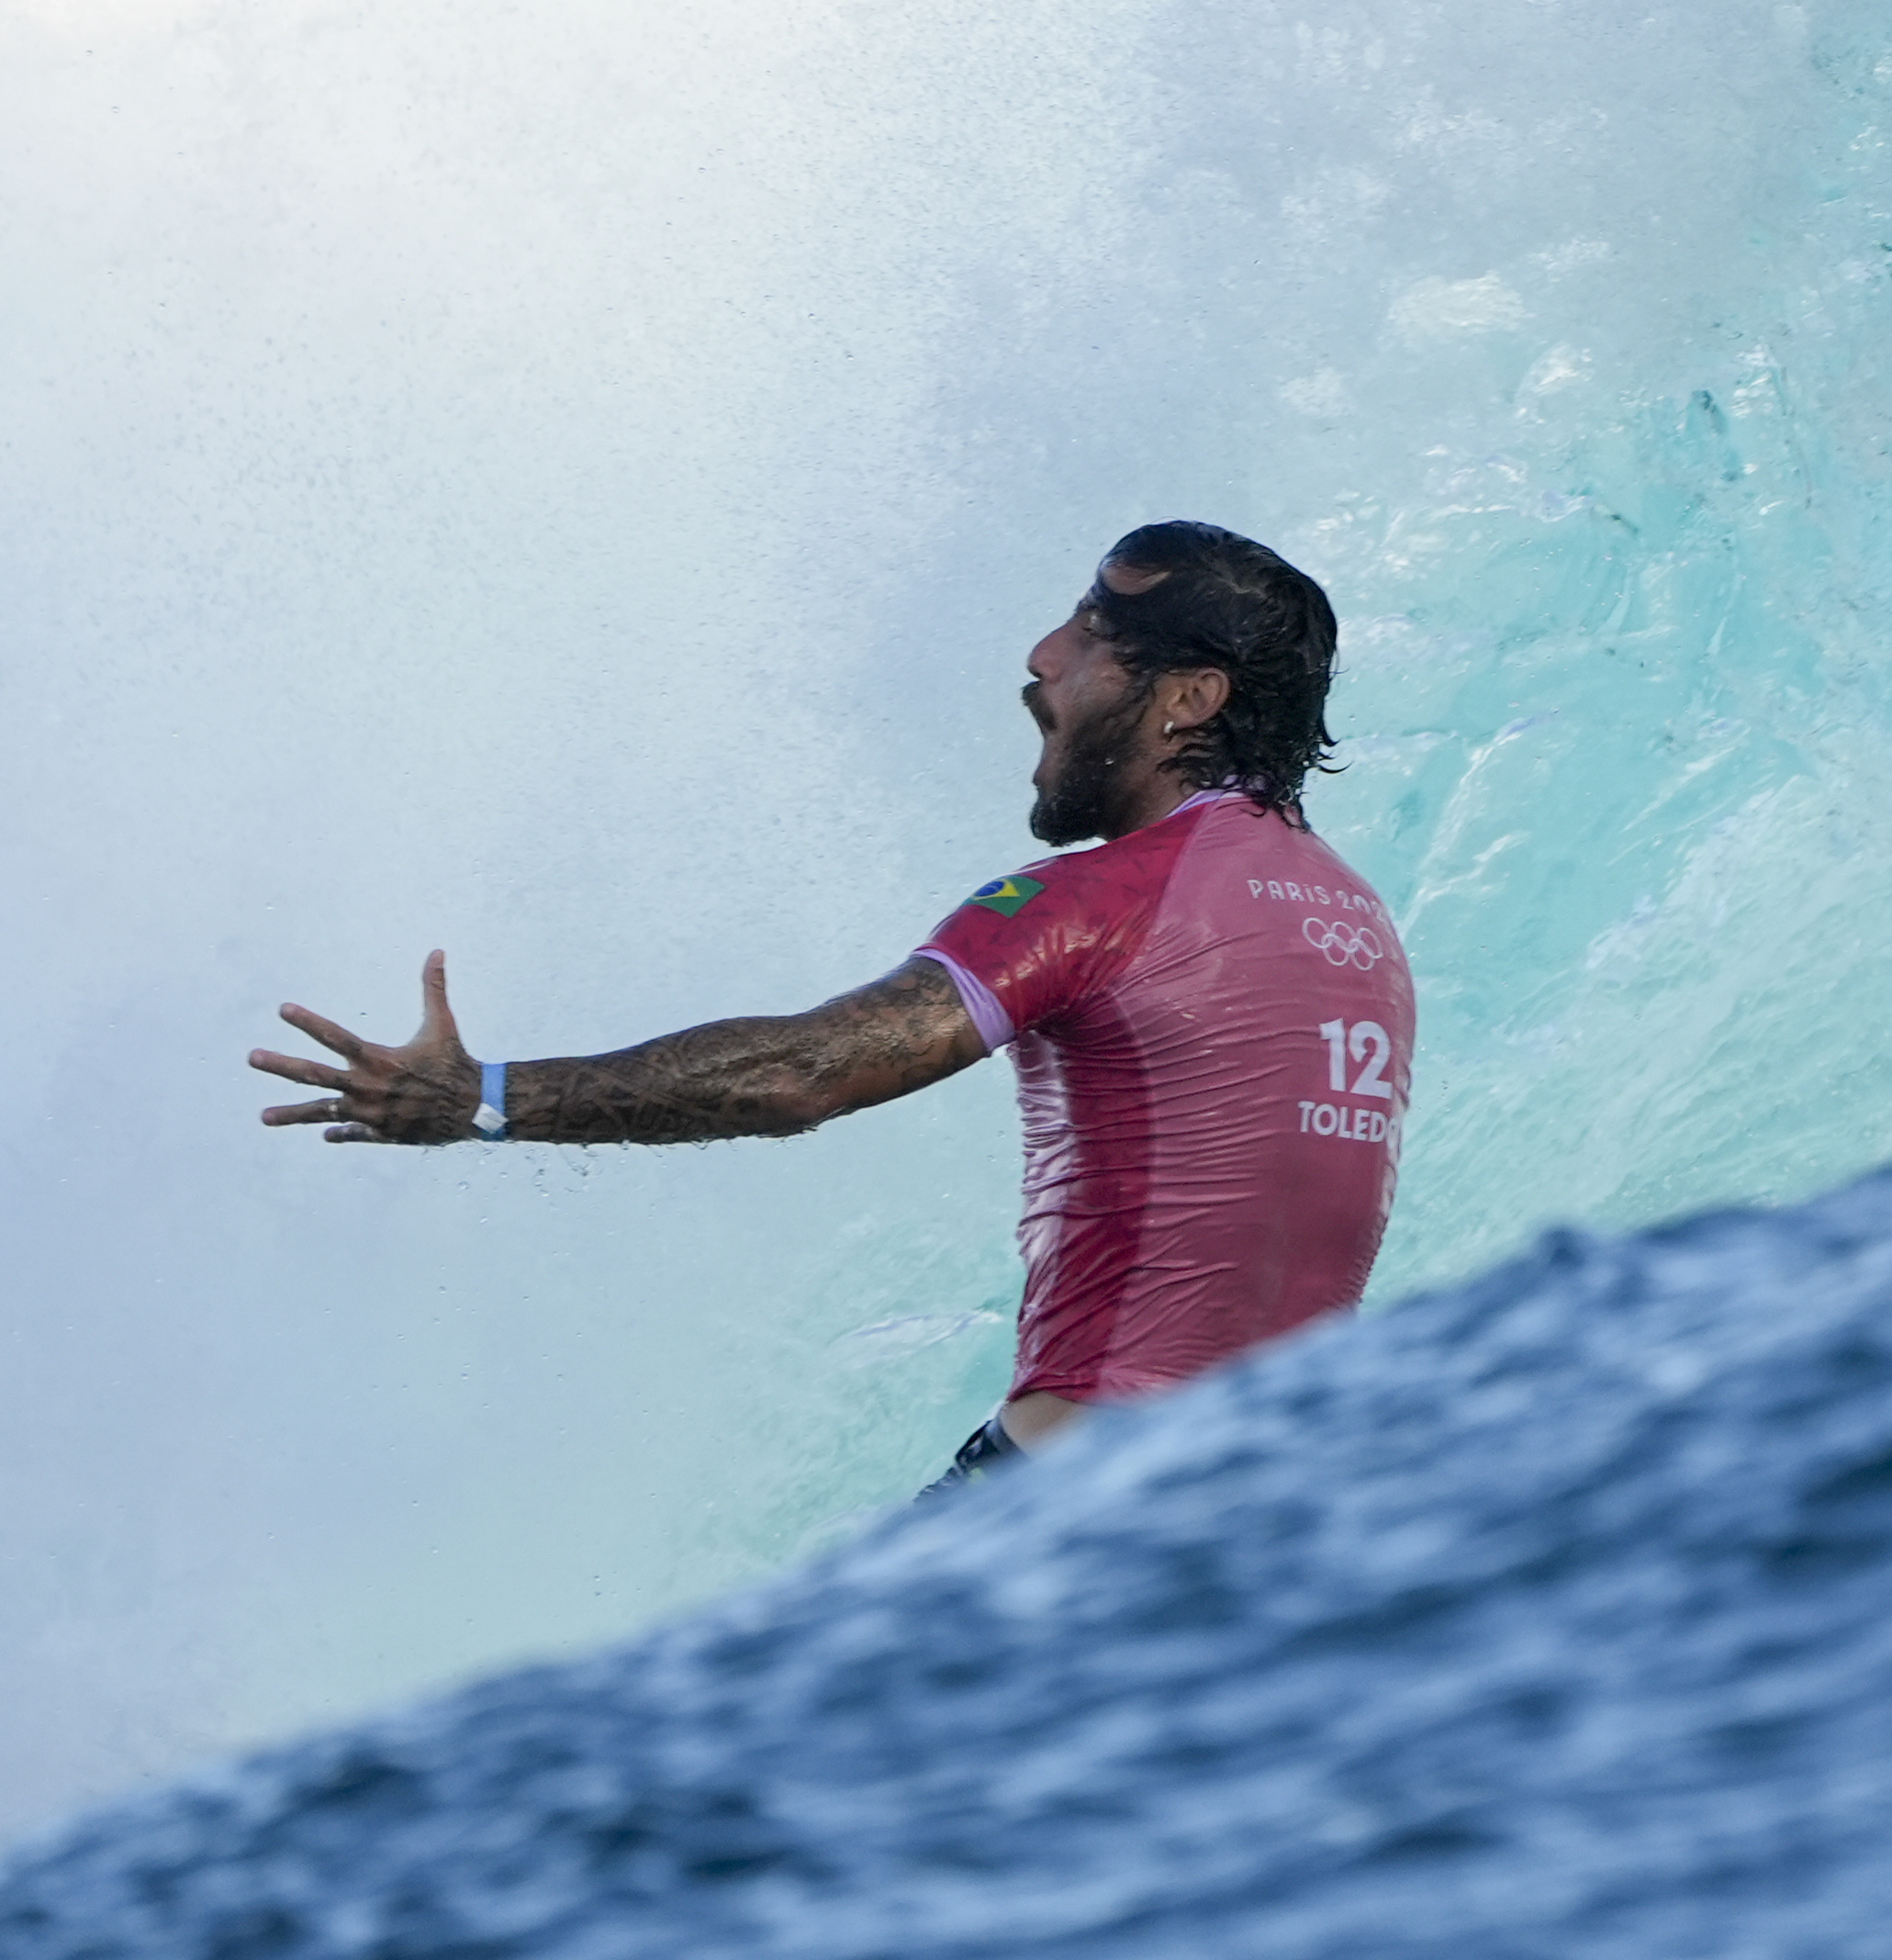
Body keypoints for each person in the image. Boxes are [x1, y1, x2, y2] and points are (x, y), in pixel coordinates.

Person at [248, 521, 1416, 1491]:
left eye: (1094, 632)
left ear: (1190, 698)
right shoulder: (1360, 927)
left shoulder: (1103, 900)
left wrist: (484, 1098)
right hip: (1291, 1500)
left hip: (1089, 1495)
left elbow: (804, 1072)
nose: (1042, 655)